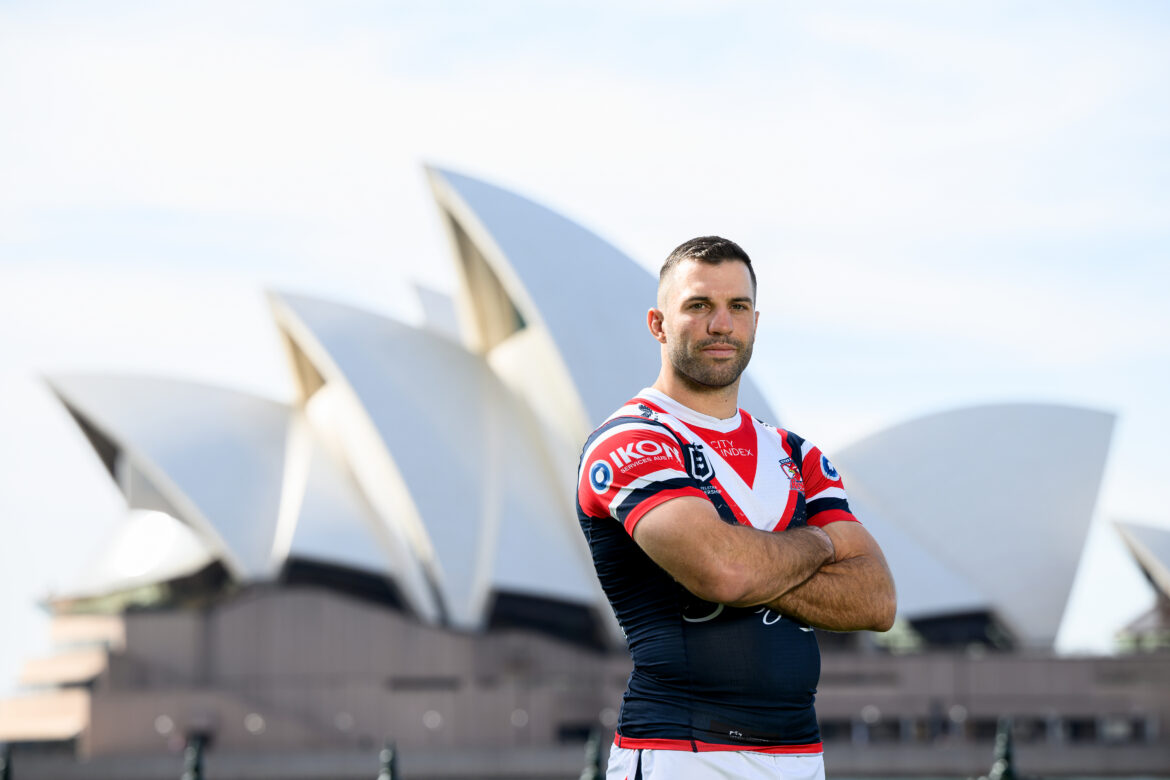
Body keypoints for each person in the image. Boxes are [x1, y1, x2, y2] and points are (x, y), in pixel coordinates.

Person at [575, 236, 896, 780]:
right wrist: (820, 545)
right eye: (698, 306)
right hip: (681, 754)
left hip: (800, 756)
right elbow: (723, 572)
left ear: (754, 321)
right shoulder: (633, 440)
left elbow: (876, 601)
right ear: (657, 323)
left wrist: (751, 561)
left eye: (737, 307)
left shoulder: (794, 453)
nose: (721, 324)